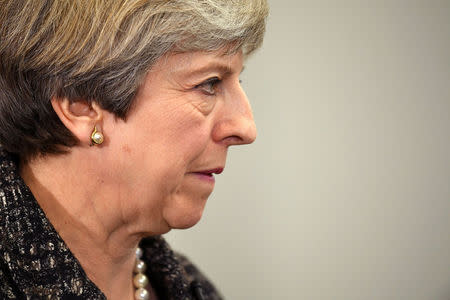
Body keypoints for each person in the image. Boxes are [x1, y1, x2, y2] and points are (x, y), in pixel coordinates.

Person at [0, 1, 268, 299]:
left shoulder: (192, 288)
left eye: (238, 80)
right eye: (209, 83)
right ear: (80, 103)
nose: (246, 128)